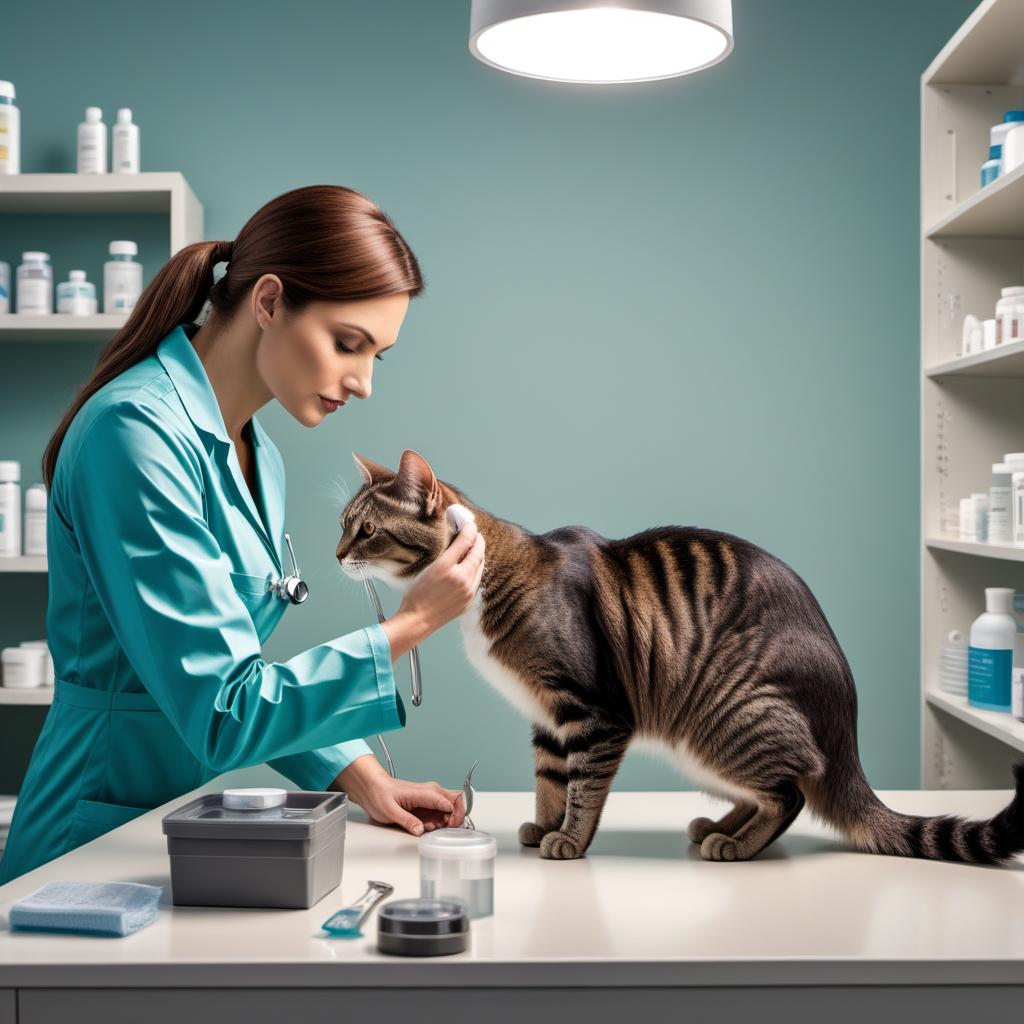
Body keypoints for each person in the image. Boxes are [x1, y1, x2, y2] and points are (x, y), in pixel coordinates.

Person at [0, 184, 486, 884]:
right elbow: (225, 709)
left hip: (181, 828)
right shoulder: (131, 435)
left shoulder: (259, 454)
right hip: (90, 839)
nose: (363, 382)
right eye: (348, 343)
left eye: (375, 356)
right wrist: (409, 625)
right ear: (267, 303)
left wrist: (358, 775)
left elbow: (231, 667)